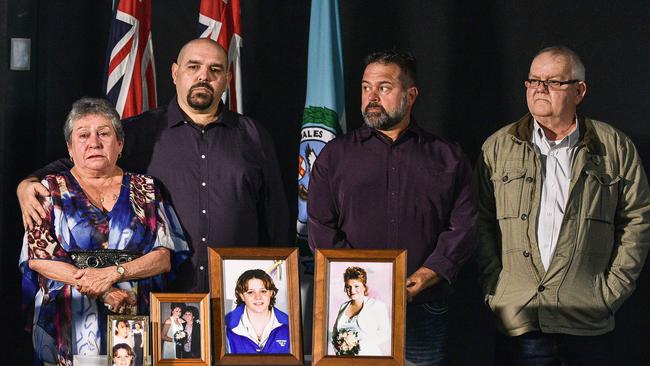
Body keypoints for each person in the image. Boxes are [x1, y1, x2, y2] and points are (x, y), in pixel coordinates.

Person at [16, 38, 289, 292]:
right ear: (175, 73)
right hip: (164, 297)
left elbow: (274, 219)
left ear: (227, 79)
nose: (204, 76)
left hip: (236, 291)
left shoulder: (253, 136)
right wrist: (28, 183)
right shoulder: (142, 131)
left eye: (215, 69)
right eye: (193, 67)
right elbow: (89, 158)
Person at [476, 45, 650, 365]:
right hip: (520, 319)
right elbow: (481, 221)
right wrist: (496, 289)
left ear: (579, 91)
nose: (540, 89)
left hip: (587, 319)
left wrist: (608, 293)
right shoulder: (497, 147)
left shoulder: (615, 146)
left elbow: (638, 219)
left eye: (553, 82)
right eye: (533, 81)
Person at [308, 50, 477, 365]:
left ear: (411, 95)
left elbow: (464, 225)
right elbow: (320, 227)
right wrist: (366, 284)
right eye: (365, 87)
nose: (371, 96)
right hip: (352, 308)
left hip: (423, 306)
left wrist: (427, 275)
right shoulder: (334, 157)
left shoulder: (447, 156)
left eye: (383, 87)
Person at [18, 98, 189, 365]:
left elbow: (165, 256)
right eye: (83, 135)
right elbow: (39, 258)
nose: (94, 142)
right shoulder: (47, 190)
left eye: (104, 133)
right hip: (67, 323)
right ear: (70, 148)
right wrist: (104, 290)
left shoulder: (147, 188)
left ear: (119, 144)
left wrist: (115, 273)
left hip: (135, 320)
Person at [224, 269, 290, 354]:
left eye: (263, 291)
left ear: (271, 293)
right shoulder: (226, 326)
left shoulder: (289, 325)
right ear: (242, 296)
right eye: (250, 292)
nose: (258, 297)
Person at [331, 267, 390, 356]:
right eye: (348, 287)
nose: (352, 290)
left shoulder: (378, 306)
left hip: (369, 358)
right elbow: (335, 333)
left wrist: (356, 343)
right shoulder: (343, 306)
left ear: (364, 287)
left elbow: (385, 334)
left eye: (356, 286)